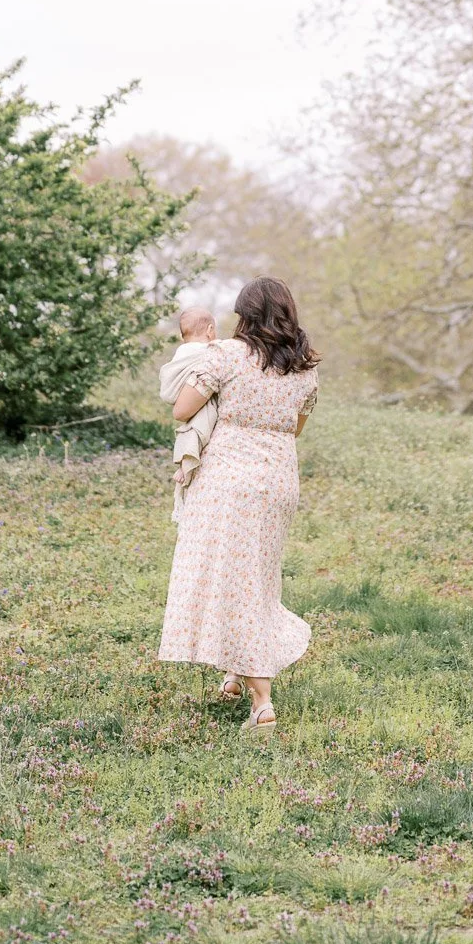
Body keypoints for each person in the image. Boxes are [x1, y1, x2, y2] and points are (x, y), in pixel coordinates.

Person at [158, 276, 319, 730]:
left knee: (232, 580)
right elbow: (296, 428)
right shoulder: (306, 366)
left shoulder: (226, 355)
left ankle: (261, 700)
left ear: (244, 313)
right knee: (255, 577)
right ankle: (234, 673)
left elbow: (181, 408)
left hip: (229, 479)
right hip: (278, 479)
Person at [159, 306, 220, 522]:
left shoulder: (181, 352)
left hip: (186, 396)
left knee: (192, 428)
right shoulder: (207, 352)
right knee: (205, 419)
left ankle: (185, 466)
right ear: (210, 330)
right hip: (194, 397)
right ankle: (186, 466)